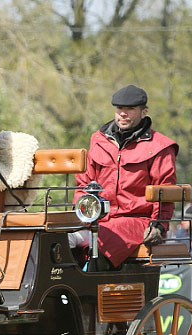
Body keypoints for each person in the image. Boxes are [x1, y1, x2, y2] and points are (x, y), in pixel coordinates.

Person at [74, 85, 178, 269]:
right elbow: (84, 184)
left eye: (130, 109)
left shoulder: (160, 146)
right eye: (119, 109)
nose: (123, 113)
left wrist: (159, 226)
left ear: (144, 112)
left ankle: (90, 292)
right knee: (56, 238)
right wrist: (80, 215)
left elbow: (165, 191)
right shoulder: (99, 140)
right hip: (99, 218)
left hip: (139, 220)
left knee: (100, 243)